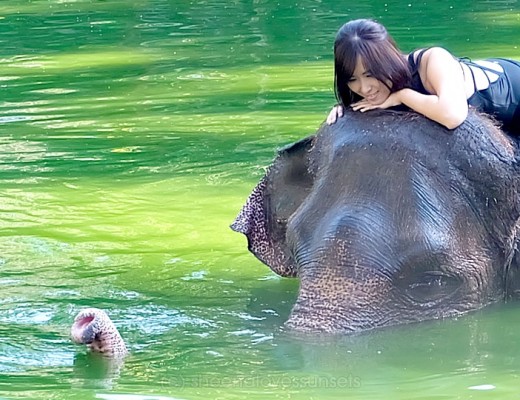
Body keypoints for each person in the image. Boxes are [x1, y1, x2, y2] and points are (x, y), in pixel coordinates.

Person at [326, 18, 520, 135]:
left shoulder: (433, 60)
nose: (364, 87)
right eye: (352, 79)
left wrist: (401, 96)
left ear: (386, 61)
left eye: (370, 74)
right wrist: (344, 112)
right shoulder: (370, 91)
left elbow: (452, 116)